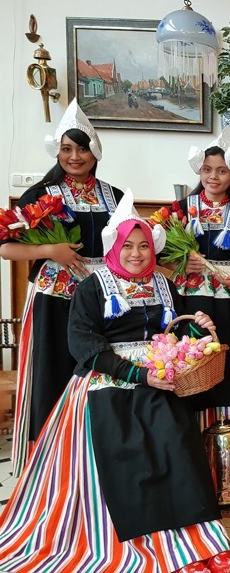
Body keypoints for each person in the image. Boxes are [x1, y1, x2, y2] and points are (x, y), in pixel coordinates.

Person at [0, 190, 230, 573]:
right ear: (114, 247)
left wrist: (199, 330)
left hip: (158, 377)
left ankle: (193, 540)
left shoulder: (163, 285)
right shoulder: (93, 286)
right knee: (126, 450)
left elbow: (171, 333)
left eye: (144, 246)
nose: (137, 254)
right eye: (129, 246)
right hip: (106, 381)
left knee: (178, 441)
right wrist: (139, 375)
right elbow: (84, 346)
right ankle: (145, 543)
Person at [0, 99, 123, 476]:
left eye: (81, 148)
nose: (74, 156)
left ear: (94, 151)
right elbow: (6, 248)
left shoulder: (115, 196)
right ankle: (51, 464)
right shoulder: (41, 195)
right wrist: (50, 249)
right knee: (53, 373)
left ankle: (98, 456)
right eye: (66, 149)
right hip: (54, 299)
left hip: (102, 301)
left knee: (99, 374)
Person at [179, 128, 230, 431]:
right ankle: (192, 431)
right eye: (208, 169)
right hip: (193, 295)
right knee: (193, 355)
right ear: (199, 170)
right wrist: (185, 263)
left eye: (222, 171)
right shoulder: (183, 208)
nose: (214, 176)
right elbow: (163, 257)